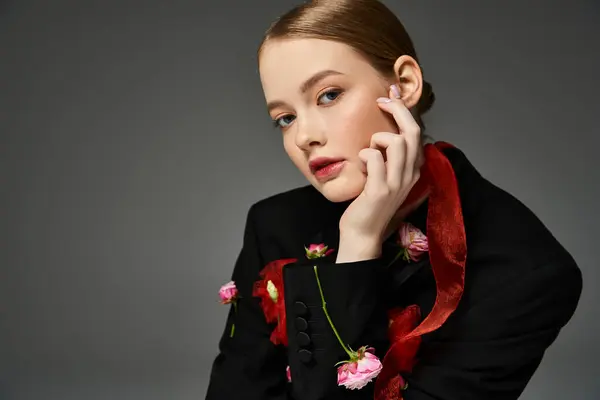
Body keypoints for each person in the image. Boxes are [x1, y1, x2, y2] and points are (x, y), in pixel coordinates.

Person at [205, 1, 583, 399]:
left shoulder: (525, 271)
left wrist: (358, 247)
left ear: (403, 84)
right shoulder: (274, 226)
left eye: (328, 95)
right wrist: (357, 239)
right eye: (285, 118)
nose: (303, 137)